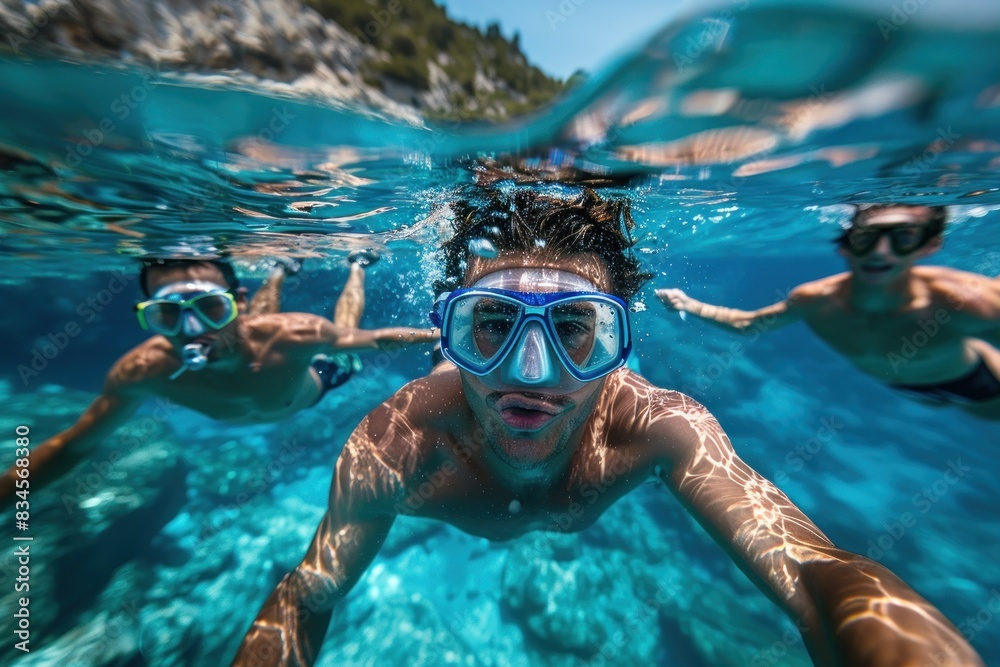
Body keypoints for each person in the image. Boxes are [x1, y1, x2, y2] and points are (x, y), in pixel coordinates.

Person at [232, 189, 983, 667]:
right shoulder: (395, 445)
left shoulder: (659, 426)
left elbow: (819, 578)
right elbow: (308, 593)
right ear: (454, 327)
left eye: (576, 328)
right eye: (489, 323)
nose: (530, 372)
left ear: (623, 344)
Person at [0, 252, 439, 507]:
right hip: (266, 356)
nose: (192, 331)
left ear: (235, 303)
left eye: (211, 309)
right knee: (256, 330)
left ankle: (357, 265)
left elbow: (374, 339)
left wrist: (440, 335)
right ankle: (279, 271)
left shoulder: (292, 335)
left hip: (311, 385)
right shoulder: (143, 370)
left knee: (343, 342)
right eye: (169, 314)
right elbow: (73, 444)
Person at [657, 204, 1000, 420]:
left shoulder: (963, 300)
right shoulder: (815, 299)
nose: (881, 252)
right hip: (901, 384)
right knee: (939, 406)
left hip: (974, 380)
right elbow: (749, 324)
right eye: (868, 236)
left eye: (903, 237)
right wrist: (690, 304)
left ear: (929, 246)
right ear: (847, 244)